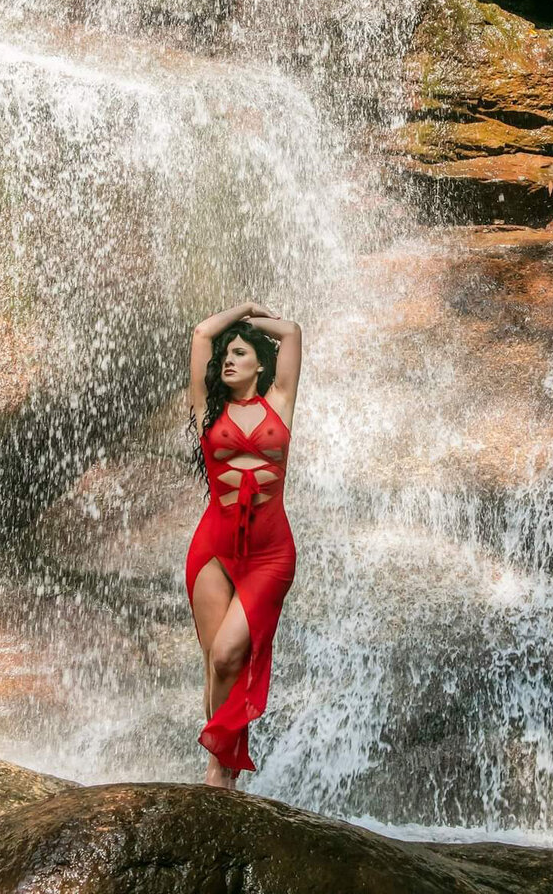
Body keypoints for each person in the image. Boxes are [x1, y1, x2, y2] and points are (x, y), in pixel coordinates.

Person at [185, 300, 302, 788]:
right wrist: (239, 311)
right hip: (213, 550)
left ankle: (223, 764)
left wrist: (253, 319)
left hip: (269, 555)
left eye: (239, 353)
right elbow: (201, 334)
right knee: (217, 663)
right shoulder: (208, 410)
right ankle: (222, 771)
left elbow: (291, 331)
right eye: (226, 355)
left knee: (228, 654)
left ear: (259, 365)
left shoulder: (280, 401)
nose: (229, 361)